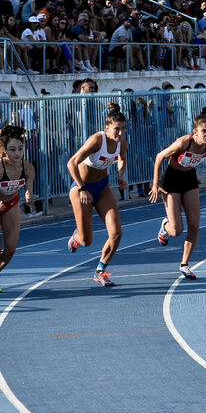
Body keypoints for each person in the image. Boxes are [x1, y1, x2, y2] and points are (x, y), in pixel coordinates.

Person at [149, 107, 206, 280]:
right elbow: (160, 156)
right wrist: (155, 184)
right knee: (176, 230)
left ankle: (185, 265)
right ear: (195, 132)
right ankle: (165, 226)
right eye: (204, 131)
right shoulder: (184, 142)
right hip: (171, 181)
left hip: (189, 178)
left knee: (195, 226)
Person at [66, 106, 129, 286]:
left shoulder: (122, 143)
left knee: (116, 233)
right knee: (86, 241)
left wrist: (120, 175)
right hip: (82, 189)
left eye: (123, 128)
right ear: (107, 128)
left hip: (103, 187)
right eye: (117, 128)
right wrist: (82, 188)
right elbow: (71, 163)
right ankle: (77, 236)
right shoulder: (96, 140)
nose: (120, 132)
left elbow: (122, 159)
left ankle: (100, 270)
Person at [0, 125, 35, 285]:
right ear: (4, 149)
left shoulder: (27, 167)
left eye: (20, 149)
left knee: (11, 249)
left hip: (11, 203)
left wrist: (29, 195)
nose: (17, 154)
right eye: (12, 149)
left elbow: (29, 188)